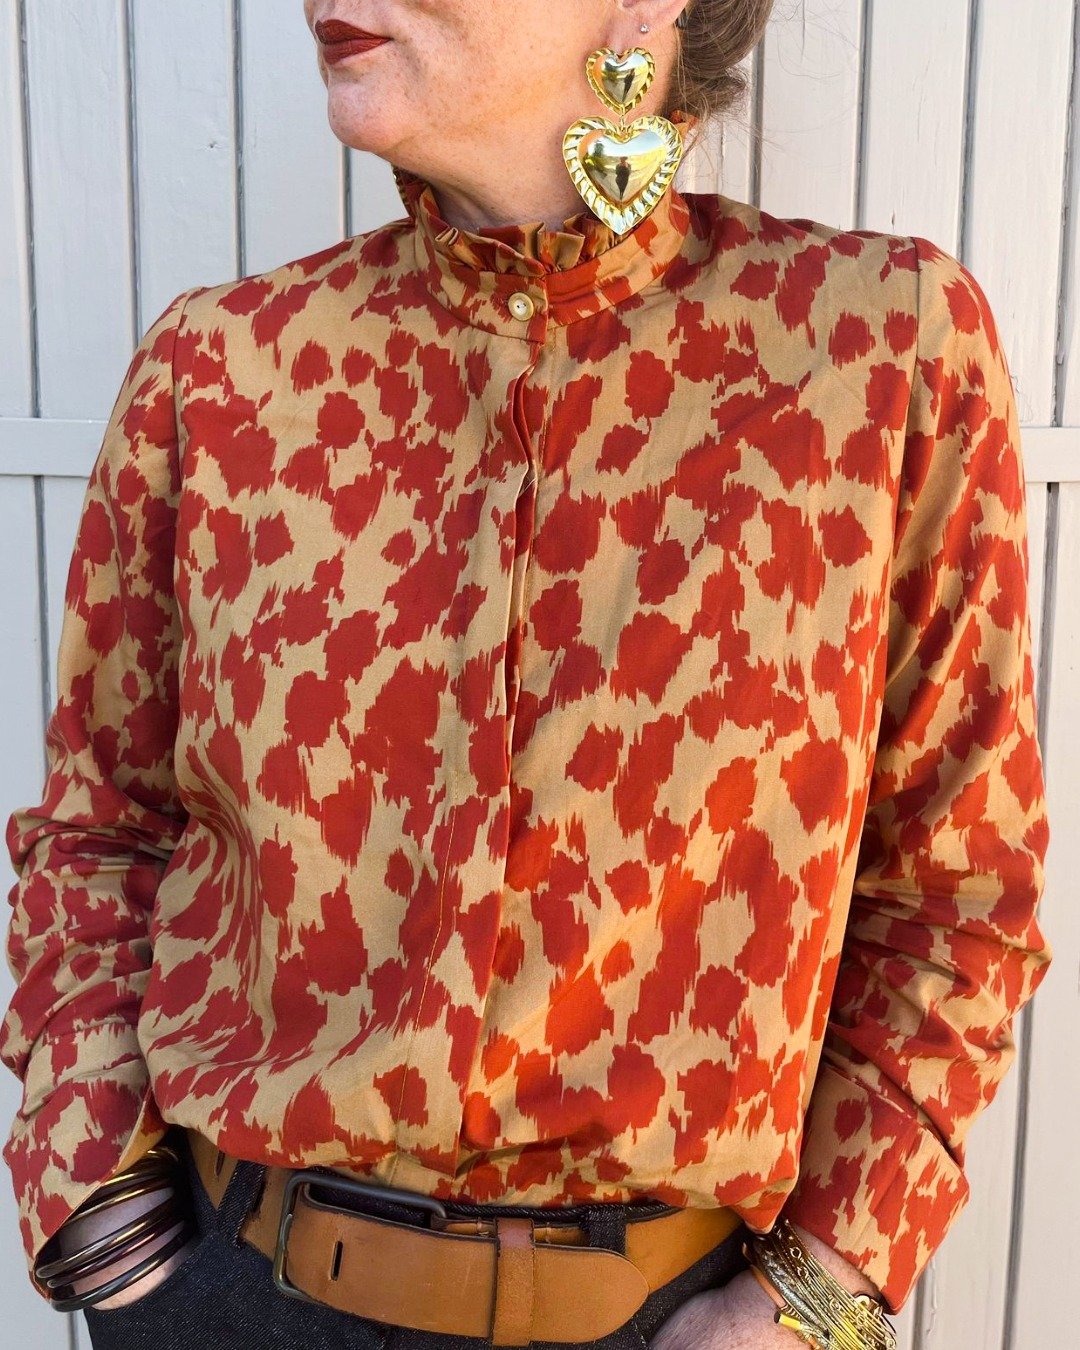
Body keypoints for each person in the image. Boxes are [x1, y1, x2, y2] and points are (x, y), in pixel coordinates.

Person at [0, 1, 1054, 1347]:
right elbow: (104, 824)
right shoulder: (224, 371)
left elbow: (959, 887)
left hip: (677, 1314)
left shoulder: (875, 352)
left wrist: (811, 1297)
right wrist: (107, 1228)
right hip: (239, 1294)